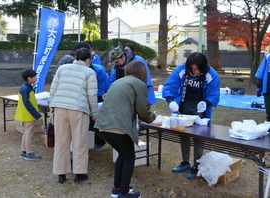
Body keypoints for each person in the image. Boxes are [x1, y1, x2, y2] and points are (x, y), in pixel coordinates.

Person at [94, 60, 156, 198]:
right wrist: (153, 116)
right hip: (118, 126)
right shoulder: (139, 84)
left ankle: (118, 188)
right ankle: (124, 193)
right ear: (142, 72)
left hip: (103, 126)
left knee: (123, 155)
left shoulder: (118, 82)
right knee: (129, 157)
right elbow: (143, 111)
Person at [162, 52, 220, 179]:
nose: (193, 71)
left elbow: (214, 95)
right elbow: (169, 87)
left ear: (203, 67)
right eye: (191, 68)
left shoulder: (212, 75)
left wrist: (206, 103)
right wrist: (170, 100)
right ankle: (185, 162)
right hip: (184, 105)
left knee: (199, 136)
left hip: (200, 108)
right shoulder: (181, 70)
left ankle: (196, 165)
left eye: (196, 69)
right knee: (183, 133)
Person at [49, 47, 98, 184]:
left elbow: (53, 89)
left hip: (59, 107)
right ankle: (79, 172)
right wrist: (94, 113)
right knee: (79, 142)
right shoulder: (90, 72)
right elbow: (92, 96)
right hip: (78, 109)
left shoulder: (62, 69)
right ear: (88, 59)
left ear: (75, 57)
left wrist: (52, 106)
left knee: (61, 141)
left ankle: (61, 173)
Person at [15, 69, 42, 160]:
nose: (36, 78)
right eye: (34, 76)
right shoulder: (26, 88)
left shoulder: (27, 87)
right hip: (28, 115)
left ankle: (24, 152)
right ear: (29, 78)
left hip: (27, 114)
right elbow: (27, 104)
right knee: (29, 134)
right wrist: (37, 115)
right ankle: (29, 153)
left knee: (26, 133)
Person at [255, 52, 270, 124]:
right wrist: (259, 85)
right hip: (268, 89)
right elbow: (261, 71)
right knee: (269, 112)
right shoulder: (268, 56)